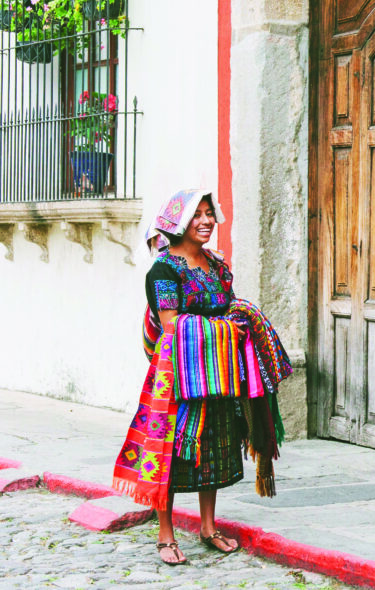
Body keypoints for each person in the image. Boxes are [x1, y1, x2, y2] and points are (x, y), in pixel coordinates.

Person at [112, 189, 292, 565]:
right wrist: (226, 327)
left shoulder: (216, 265)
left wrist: (240, 317)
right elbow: (171, 324)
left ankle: (208, 526)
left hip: (218, 374)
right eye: (199, 215)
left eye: (210, 214)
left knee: (214, 449)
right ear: (179, 221)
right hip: (177, 378)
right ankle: (165, 534)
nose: (208, 221)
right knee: (173, 454)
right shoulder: (164, 270)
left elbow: (229, 305)